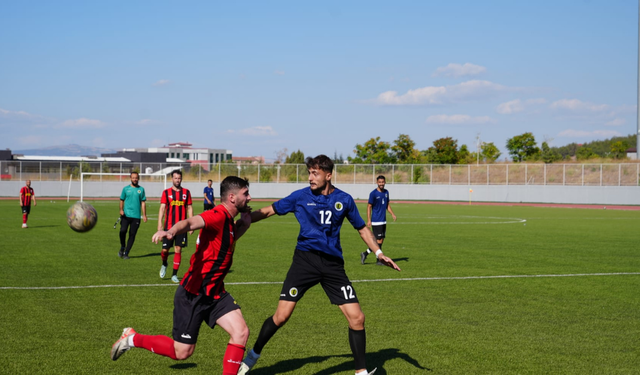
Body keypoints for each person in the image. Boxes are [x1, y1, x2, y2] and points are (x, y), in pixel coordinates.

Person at [238, 155, 401, 375]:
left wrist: (379, 252)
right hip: (304, 261)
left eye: (315, 173)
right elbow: (268, 210)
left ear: (328, 175)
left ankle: (360, 372)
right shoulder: (300, 197)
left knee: (357, 318)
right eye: (309, 173)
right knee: (282, 316)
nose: (310, 178)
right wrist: (239, 221)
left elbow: (362, 228)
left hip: (333, 266)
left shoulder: (345, 199)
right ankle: (253, 355)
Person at [110, 176, 254, 375]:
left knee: (241, 332)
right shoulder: (218, 215)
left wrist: (244, 225)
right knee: (182, 352)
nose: (249, 198)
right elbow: (191, 221)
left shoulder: (229, 220)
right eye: (245, 194)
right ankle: (131, 338)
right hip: (193, 294)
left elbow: (226, 240)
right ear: (232, 197)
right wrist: (170, 231)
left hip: (214, 293)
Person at [158, 169, 193, 283]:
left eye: (179, 178)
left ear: (181, 179)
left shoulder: (186, 192)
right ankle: (164, 263)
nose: (177, 180)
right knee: (165, 250)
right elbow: (162, 208)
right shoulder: (166, 192)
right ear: (172, 179)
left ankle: (174, 274)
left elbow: (189, 208)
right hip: (168, 227)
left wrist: (191, 225)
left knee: (178, 249)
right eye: (175, 178)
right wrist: (159, 225)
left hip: (182, 227)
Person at [361, 175, 397, 265]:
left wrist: (392, 213)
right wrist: (369, 220)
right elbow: (369, 206)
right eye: (380, 182)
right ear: (377, 182)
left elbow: (387, 205)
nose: (381, 184)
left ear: (385, 182)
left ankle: (366, 254)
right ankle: (377, 259)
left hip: (383, 220)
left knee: (381, 240)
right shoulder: (373, 193)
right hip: (376, 220)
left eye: (383, 182)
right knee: (377, 240)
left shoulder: (386, 192)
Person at [118, 172, 148, 260]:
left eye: (136, 178)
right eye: (133, 178)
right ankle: (123, 246)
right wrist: (121, 209)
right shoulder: (125, 189)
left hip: (136, 217)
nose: (135, 179)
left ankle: (126, 253)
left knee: (132, 234)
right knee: (122, 230)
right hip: (126, 215)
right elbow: (121, 200)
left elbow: (143, 203)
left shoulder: (141, 189)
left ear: (138, 179)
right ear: (130, 178)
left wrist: (144, 215)